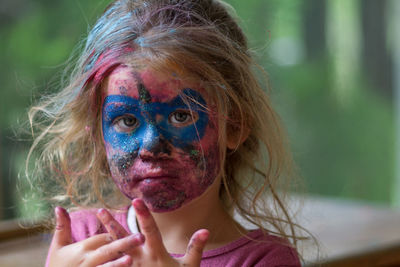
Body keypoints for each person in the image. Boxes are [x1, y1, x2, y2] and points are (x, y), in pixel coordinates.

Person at [28, 0, 304, 266]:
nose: (151, 145)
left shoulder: (264, 261)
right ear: (98, 133)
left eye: (180, 116)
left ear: (234, 126)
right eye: (126, 120)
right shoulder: (84, 240)